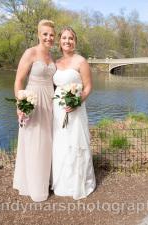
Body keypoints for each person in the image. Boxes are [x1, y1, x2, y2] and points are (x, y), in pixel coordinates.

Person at [13, 19, 56, 202]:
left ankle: (46, 180)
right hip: (34, 101)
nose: (48, 37)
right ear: (39, 34)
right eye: (45, 34)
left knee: (48, 141)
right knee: (33, 141)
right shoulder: (30, 53)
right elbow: (18, 81)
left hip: (50, 101)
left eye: (51, 34)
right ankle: (33, 185)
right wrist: (21, 104)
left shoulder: (52, 58)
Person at [51, 27, 96, 200]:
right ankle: (61, 182)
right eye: (64, 38)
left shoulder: (81, 61)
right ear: (60, 41)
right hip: (58, 109)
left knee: (75, 142)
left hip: (76, 109)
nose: (67, 41)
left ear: (75, 42)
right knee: (60, 143)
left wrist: (77, 102)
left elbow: (88, 86)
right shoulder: (56, 63)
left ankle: (77, 183)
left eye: (70, 38)